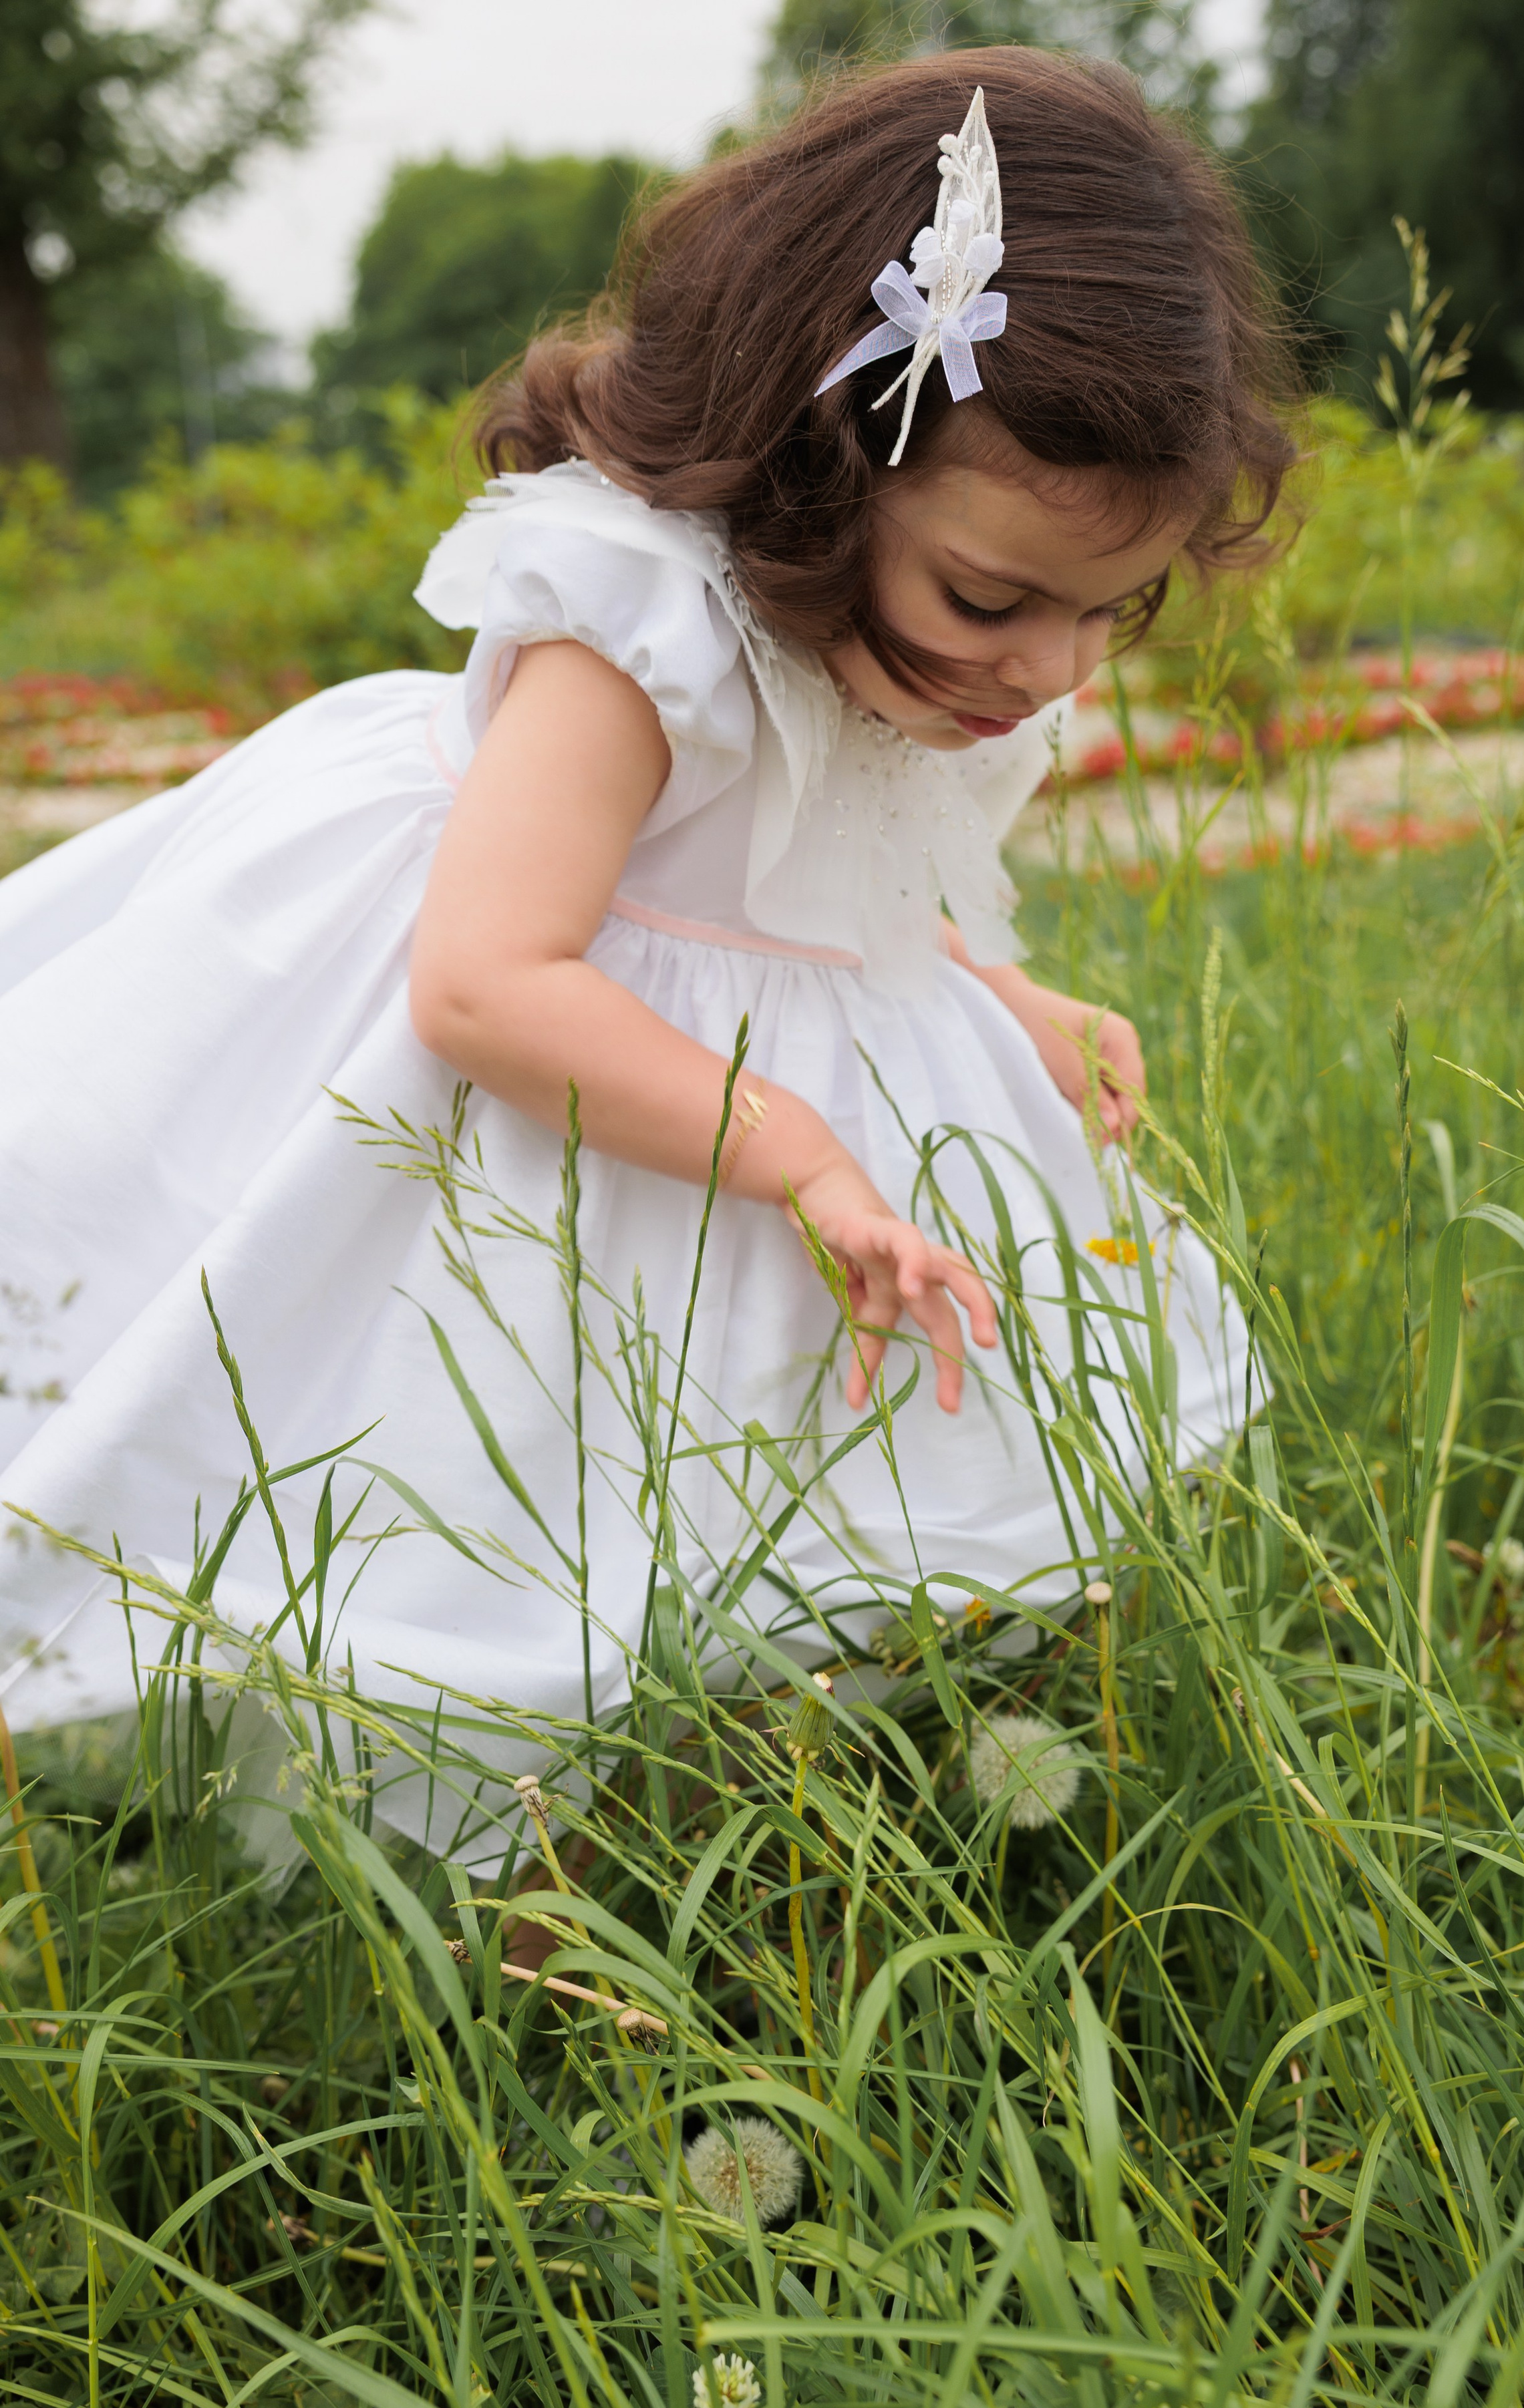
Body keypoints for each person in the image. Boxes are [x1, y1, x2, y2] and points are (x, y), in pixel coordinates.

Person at [0, 49, 1295, 1866]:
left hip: (733, 1073)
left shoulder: (923, 640)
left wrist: (1001, 992)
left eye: (1113, 611)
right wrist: (800, 1154)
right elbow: (489, 980)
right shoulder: (637, 621)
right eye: (995, 603)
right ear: (822, 472)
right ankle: (476, 1899)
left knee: (755, 1518)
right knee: (488, 1498)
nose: (1050, 671)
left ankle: (725, 1853)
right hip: (537, 1080)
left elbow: (827, 880)